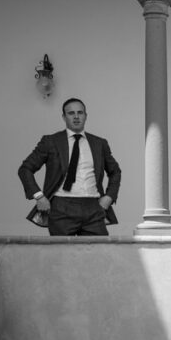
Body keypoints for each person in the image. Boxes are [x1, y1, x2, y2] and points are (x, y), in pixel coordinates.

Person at [18, 97, 122, 236]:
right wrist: (39, 196)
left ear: (86, 116)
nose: (76, 116)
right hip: (61, 207)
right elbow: (25, 169)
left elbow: (115, 171)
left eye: (80, 112)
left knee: (98, 254)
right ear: (64, 117)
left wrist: (109, 196)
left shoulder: (99, 143)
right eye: (71, 113)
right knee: (63, 255)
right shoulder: (51, 141)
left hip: (93, 207)